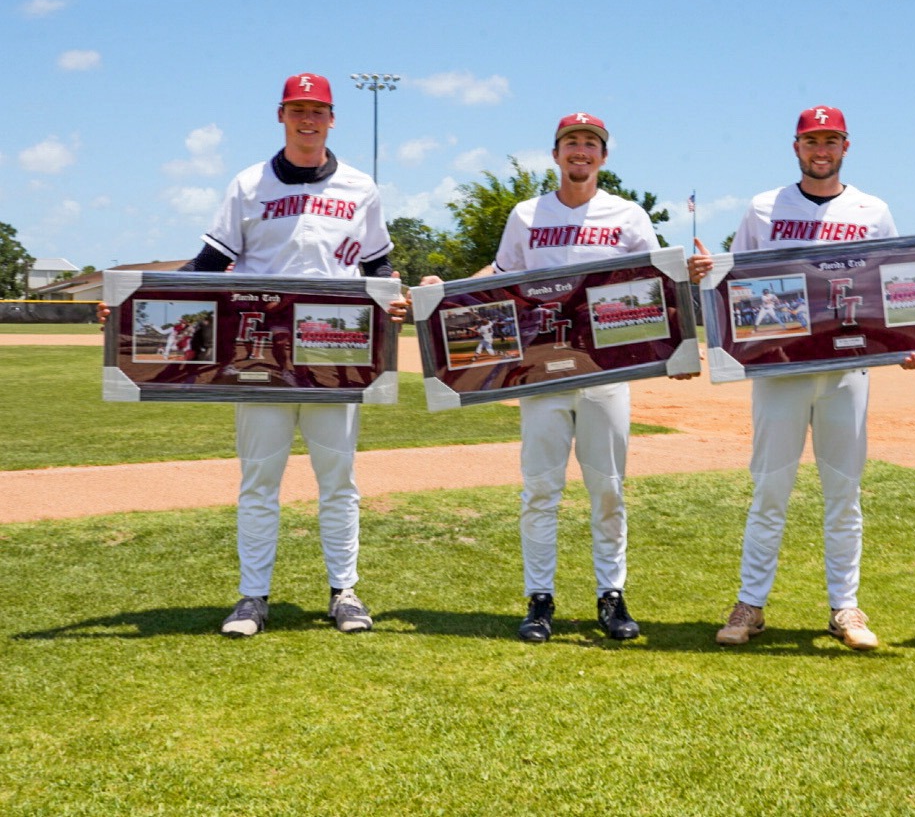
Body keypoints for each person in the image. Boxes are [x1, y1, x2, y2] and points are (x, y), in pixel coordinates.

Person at [102, 73, 397, 638]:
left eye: (318, 110)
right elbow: (207, 265)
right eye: (297, 110)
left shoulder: (361, 187)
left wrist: (397, 295)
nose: (307, 119)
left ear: (333, 119)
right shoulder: (247, 184)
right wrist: (130, 304)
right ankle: (252, 597)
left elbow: (379, 268)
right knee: (260, 481)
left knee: (339, 480)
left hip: (333, 356)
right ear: (281, 115)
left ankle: (345, 592)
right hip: (258, 357)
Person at [688, 105, 915, 651]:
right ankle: (750, 604)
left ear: (846, 146)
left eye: (831, 140)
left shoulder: (873, 209)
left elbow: (888, 288)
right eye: (811, 140)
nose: (821, 149)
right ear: (795, 147)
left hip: (846, 369)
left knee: (844, 493)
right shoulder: (763, 207)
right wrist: (711, 275)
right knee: (770, 490)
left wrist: (910, 346)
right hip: (782, 366)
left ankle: (845, 607)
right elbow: (739, 281)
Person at [421, 112, 662, 643]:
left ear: (603, 156)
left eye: (591, 144)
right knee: (540, 491)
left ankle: (611, 595)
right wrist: (443, 294)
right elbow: (500, 280)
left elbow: (655, 286)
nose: (581, 151)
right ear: (556, 154)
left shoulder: (627, 215)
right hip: (539, 371)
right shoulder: (527, 215)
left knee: (609, 490)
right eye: (571, 142)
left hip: (604, 371)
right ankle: (539, 599)